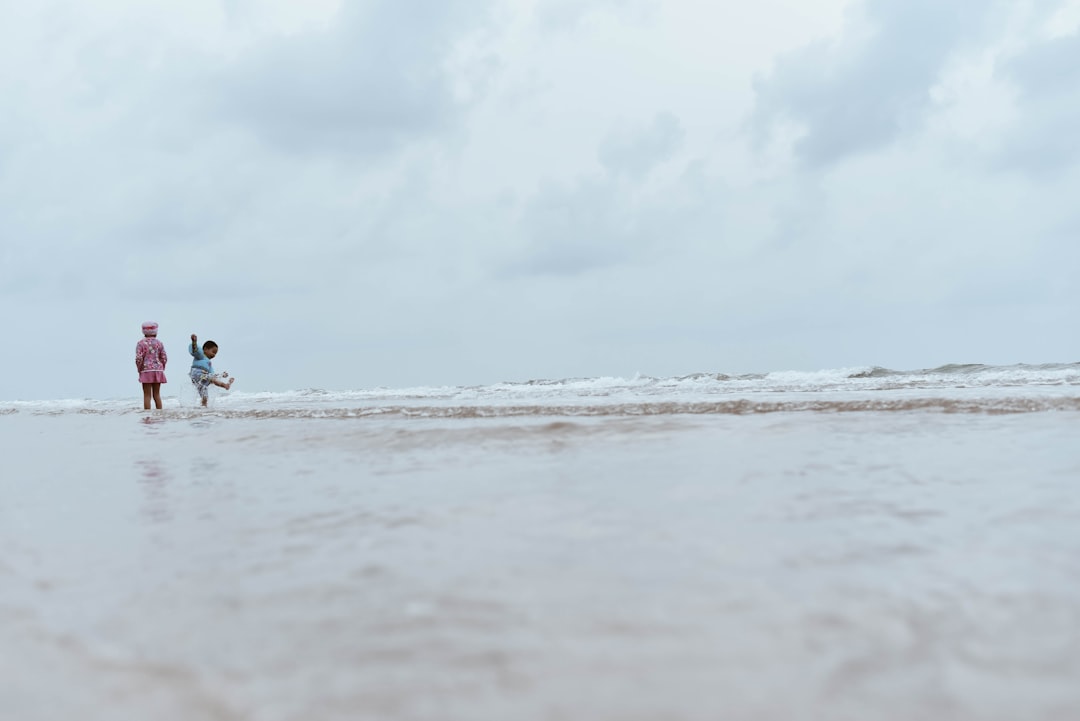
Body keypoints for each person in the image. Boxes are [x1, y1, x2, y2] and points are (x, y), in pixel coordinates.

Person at [189, 333, 235, 406]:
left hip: (201, 378)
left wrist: (222, 375)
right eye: (213, 352)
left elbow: (213, 374)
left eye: (215, 353)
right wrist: (194, 342)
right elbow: (195, 350)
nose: (214, 355)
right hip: (198, 373)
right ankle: (225, 385)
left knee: (205, 397)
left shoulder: (208, 364)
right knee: (211, 379)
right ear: (205, 349)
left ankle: (203, 409)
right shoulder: (201, 356)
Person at [135, 322, 168, 410]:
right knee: (157, 395)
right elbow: (164, 357)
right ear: (156, 332)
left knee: (147, 395)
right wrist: (162, 367)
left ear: (143, 332)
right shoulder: (159, 343)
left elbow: (139, 358)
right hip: (158, 370)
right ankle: (160, 414)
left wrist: (139, 369)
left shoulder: (140, 343)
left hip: (146, 371)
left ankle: (147, 416)